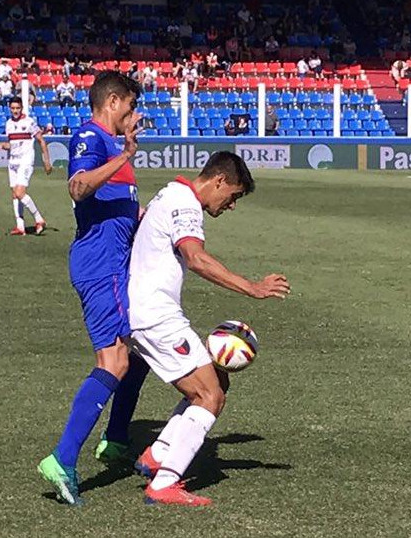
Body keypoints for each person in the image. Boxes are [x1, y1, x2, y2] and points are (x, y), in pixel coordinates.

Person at [127, 152, 290, 505]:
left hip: (147, 311)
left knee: (219, 380)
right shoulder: (185, 204)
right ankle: (164, 483)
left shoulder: (171, 193)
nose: (231, 205)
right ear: (218, 181)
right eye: (232, 195)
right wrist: (252, 287)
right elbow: (196, 258)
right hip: (155, 316)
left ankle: (157, 454)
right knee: (210, 396)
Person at [36, 71, 149, 506]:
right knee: (115, 360)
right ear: (114, 101)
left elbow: (123, 213)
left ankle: (117, 439)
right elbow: (78, 187)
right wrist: (123, 156)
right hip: (101, 265)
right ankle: (62, 458)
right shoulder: (92, 136)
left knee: (136, 355)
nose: (134, 115)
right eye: (131, 106)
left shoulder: (116, 149)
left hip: (116, 265)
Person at [0, 98, 52, 235]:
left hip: (25, 160)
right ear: (10, 109)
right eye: (13, 108)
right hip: (13, 162)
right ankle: (20, 227)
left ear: (21, 108)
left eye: (17, 108)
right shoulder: (8, 124)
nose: (15, 111)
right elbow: (12, 144)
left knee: (20, 192)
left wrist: (46, 161)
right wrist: (2, 146)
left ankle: (39, 219)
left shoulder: (29, 123)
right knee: (15, 194)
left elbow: (41, 141)